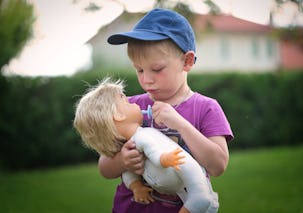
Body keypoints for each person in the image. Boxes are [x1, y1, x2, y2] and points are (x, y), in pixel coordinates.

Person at [100, 8, 234, 213]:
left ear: (187, 61)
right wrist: (122, 161)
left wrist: (180, 123)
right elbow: (104, 168)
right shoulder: (128, 106)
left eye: (157, 69)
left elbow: (218, 166)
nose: (146, 79)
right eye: (139, 70)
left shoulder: (206, 108)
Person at [73, 78, 219, 213]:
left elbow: (153, 151)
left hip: (183, 169)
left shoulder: (143, 135)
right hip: (171, 176)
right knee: (198, 197)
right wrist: (136, 184)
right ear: (118, 115)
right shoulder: (138, 138)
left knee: (197, 194)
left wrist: (164, 160)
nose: (132, 101)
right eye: (126, 102)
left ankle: (200, 201)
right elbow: (128, 170)